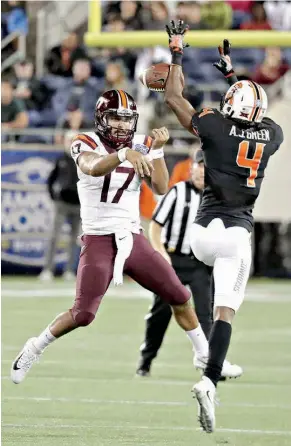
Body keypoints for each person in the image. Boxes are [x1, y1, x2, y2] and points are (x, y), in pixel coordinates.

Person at [11, 89, 209, 392]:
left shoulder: (140, 143)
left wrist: (156, 151)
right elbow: (92, 166)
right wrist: (123, 154)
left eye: (127, 119)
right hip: (99, 238)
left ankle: (204, 355)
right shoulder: (85, 141)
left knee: (179, 295)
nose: (121, 125)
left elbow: (159, 186)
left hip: (132, 236)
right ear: (102, 118)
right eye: (115, 117)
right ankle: (34, 348)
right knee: (83, 314)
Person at [164, 22, 283, 433]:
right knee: (225, 310)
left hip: (200, 235)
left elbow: (173, 95)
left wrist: (177, 51)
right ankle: (209, 379)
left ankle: (209, 369)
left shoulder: (213, 124)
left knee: (205, 289)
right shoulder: (273, 134)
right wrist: (234, 77)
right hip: (235, 235)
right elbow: (250, 115)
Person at [136, 149, 242, 379]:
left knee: (206, 313)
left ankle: (212, 364)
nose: (201, 171)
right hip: (173, 260)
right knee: (160, 313)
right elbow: (156, 225)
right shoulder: (177, 191)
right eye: (199, 165)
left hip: (200, 264)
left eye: (206, 167)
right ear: (192, 167)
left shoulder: (218, 198)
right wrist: (161, 253)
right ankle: (146, 360)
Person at [39, 131, 81, 281]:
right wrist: (54, 196)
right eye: (69, 140)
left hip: (78, 205)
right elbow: (51, 180)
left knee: (75, 240)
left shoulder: (84, 159)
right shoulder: (61, 159)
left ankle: (69, 270)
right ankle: (48, 269)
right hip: (62, 204)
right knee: (54, 237)